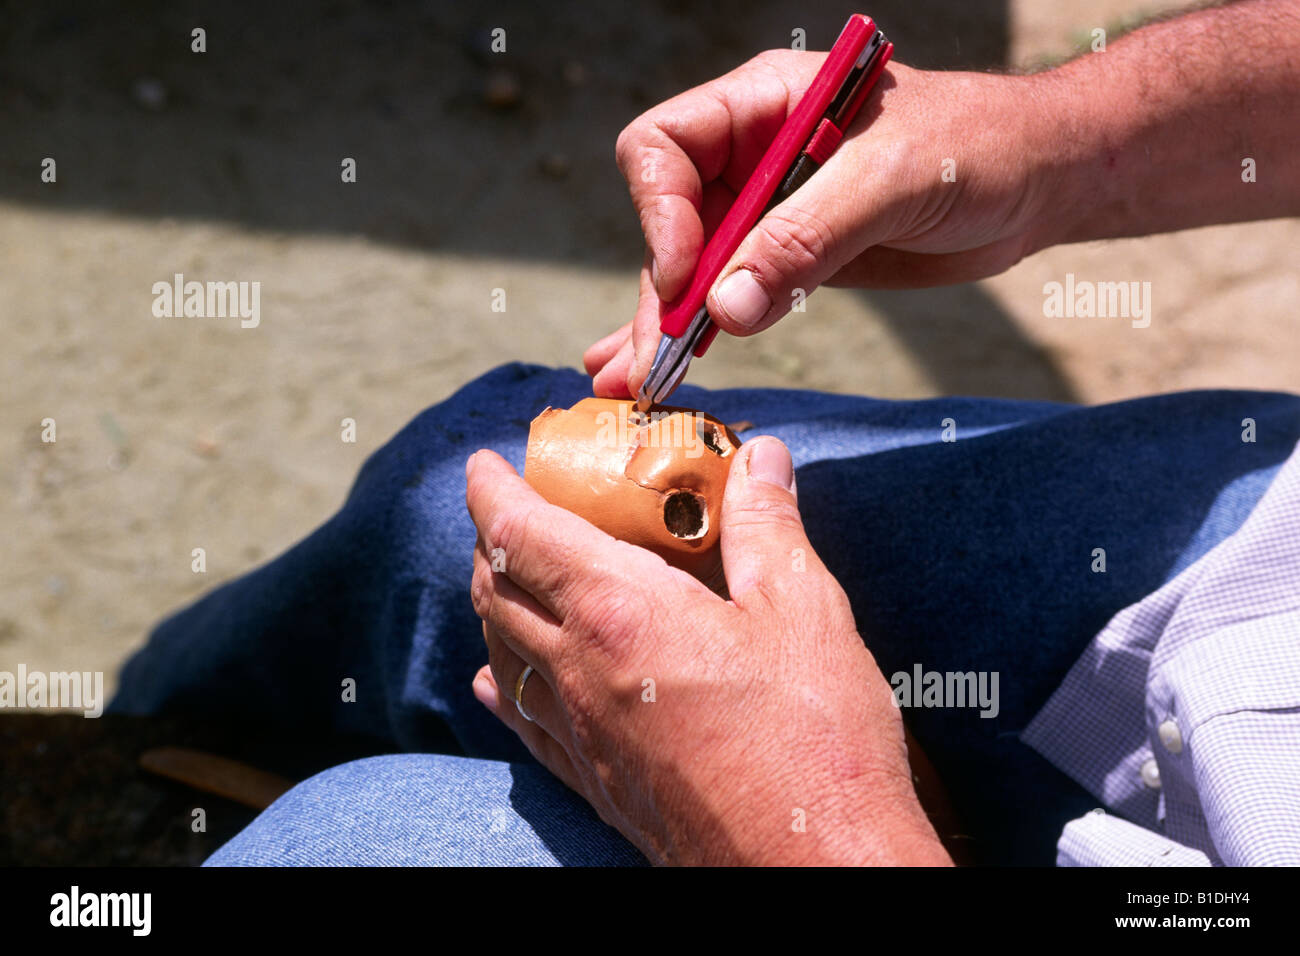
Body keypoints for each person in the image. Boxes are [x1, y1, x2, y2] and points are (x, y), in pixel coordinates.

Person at [113, 0, 1300, 865]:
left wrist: (801, 823)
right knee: (463, 490)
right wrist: (1073, 142)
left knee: (342, 844)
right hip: (1258, 585)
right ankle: (146, 746)